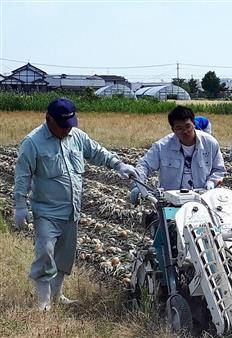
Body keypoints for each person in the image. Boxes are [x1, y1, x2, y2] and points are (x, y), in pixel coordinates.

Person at [13, 98, 138, 311]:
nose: (66, 130)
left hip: (72, 210)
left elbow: (97, 152)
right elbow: (22, 175)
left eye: (70, 125)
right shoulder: (33, 142)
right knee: (45, 252)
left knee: (64, 256)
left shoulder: (76, 136)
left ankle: (57, 295)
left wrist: (119, 165)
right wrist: (19, 205)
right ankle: (43, 304)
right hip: (46, 211)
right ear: (48, 119)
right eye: (62, 126)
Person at [130, 106, 225, 203]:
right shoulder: (162, 146)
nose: (185, 131)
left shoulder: (210, 143)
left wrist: (212, 181)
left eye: (188, 126)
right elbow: (145, 164)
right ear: (173, 129)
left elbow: (219, 169)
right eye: (179, 128)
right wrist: (138, 185)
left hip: (201, 200)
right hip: (170, 201)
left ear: (194, 124)